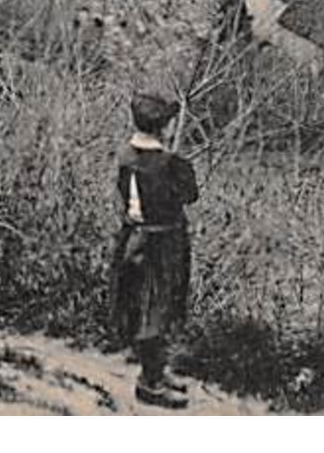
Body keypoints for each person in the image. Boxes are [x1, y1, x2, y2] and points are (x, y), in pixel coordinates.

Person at [108, 93, 198, 410]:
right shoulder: (171, 164)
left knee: (145, 306)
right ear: (164, 128)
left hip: (133, 238)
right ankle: (150, 384)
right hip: (163, 245)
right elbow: (190, 195)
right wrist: (176, 160)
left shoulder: (125, 154)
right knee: (157, 309)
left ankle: (156, 370)